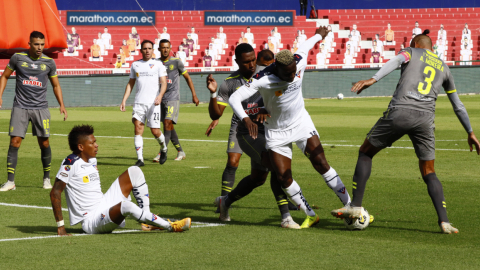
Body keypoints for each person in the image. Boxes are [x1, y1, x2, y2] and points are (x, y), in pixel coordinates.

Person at [331, 31, 480, 234]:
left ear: (417, 44)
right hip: (425, 120)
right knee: (429, 171)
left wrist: (372, 79)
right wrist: (470, 132)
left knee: (366, 152)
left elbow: (395, 61)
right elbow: (458, 105)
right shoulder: (445, 68)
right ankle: (444, 222)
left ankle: (355, 206)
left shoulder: (411, 52)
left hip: (401, 111)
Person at [228, 27, 352, 228]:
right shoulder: (264, 79)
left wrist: (319, 35)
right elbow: (235, 97)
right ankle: (311, 215)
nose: (294, 75)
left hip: (301, 122)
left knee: (321, 163)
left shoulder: (297, 61)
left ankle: (350, 206)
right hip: (276, 132)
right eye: (288, 73)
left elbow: (306, 46)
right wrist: (245, 119)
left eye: (295, 71)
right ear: (277, 69)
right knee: (284, 177)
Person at [205, 47, 301, 228]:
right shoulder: (229, 83)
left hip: (267, 129)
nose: (251, 65)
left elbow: (280, 93)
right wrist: (212, 93)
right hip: (244, 129)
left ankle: (225, 201)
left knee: (258, 178)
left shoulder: (265, 74)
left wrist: (268, 109)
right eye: (245, 62)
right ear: (237, 62)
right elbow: (215, 114)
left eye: (252, 61)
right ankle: (286, 217)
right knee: (272, 165)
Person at [50, 124, 191, 235]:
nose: (96, 145)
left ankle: (148, 222)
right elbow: (55, 192)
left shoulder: (92, 160)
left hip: (103, 204)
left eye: (95, 142)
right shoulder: (70, 162)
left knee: (134, 171)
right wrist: (60, 227)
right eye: (92, 143)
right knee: (126, 206)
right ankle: (170, 226)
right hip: (91, 221)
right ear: (81, 147)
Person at [0, 31, 68, 191]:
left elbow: (56, 85)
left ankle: (46, 179)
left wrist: (62, 105)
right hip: (20, 106)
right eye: (36, 44)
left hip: (41, 108)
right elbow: (4, 76)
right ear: (29, 44)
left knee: (44, 142)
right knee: (14, 142)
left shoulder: (49, 62)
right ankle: (10, 182)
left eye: (42, 45)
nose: (39, 47)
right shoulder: (17, 58)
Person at [120, 40, 168, 166]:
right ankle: (140, 159)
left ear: (153, 50)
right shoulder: (135, 65)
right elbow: (131, 84)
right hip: (139, 103)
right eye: (145, 48)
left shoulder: (158, 65)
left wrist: (160, 95)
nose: (147, 51)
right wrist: (124, 100)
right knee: (138, 128)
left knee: (155, 131)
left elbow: (164, 82)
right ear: (141, 50)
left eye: (149, 48)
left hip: (154, 103)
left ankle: (164, 149)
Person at [151, 39, 199, 163]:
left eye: (167, 47)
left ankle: (162, 152)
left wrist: (194, 95)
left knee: (167, 123)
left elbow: (188, 78)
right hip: (160, 98)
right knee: (169, 126)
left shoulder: (176, 62)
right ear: (159, 49)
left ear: (170, 48)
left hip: (173, 98)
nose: (165, 50)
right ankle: (180, 151)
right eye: (163, 47)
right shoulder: (155, 63)